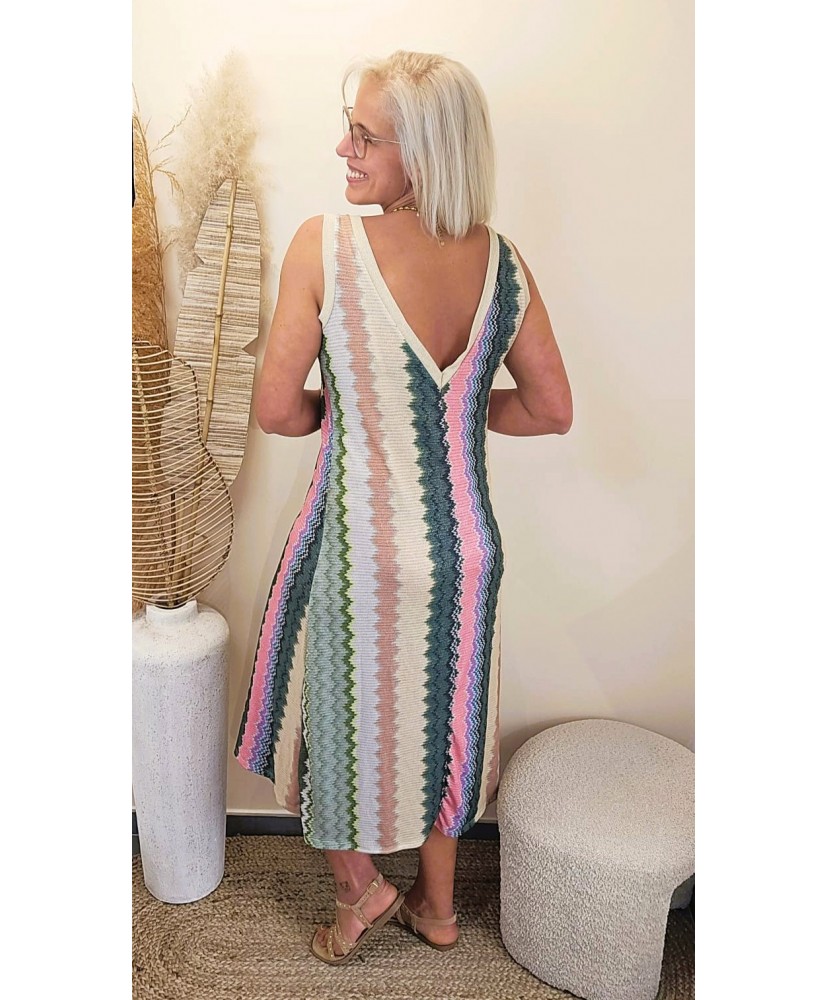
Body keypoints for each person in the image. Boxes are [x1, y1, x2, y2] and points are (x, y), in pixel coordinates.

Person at [234, 49, 573, 965]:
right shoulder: (504, 263)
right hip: (464, 549)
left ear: (423, 153)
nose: (343, 148)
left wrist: (357, 406)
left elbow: (277, 410)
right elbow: (551, 408)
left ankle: (359, 894)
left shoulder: (325, 247)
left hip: (355, 544)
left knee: (321, 714)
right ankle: (439, 909)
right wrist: (452, 411)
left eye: (365, 136)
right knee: (444, 724)